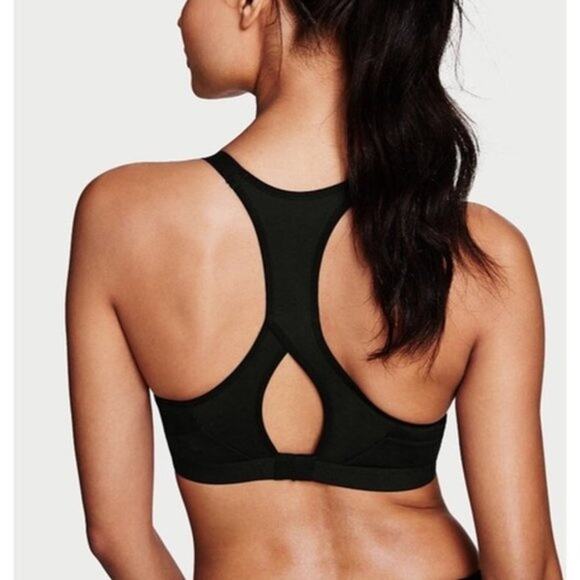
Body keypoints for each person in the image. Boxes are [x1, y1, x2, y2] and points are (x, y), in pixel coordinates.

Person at [65, 0, 562, 578]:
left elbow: (115, 534)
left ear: (252, 3)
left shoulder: (122, 217)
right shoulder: (477, 248)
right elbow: (525, 567)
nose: (180, 16)